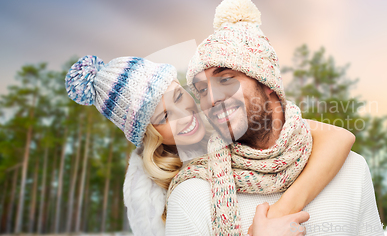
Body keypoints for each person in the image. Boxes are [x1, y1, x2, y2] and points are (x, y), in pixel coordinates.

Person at [164, 0, 384, 235]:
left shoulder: (351, 169)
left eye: (226, 79)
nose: (212, 99)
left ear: (267, 83)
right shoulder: (191, 193)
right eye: (202, 89)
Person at [65, 54, 355, 236]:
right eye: (164, 116)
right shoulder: (161, 194)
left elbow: (340, 137)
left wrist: (282, 210)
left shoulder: (225, 118)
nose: (184, 116)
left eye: (178, 97)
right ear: (148, 134)